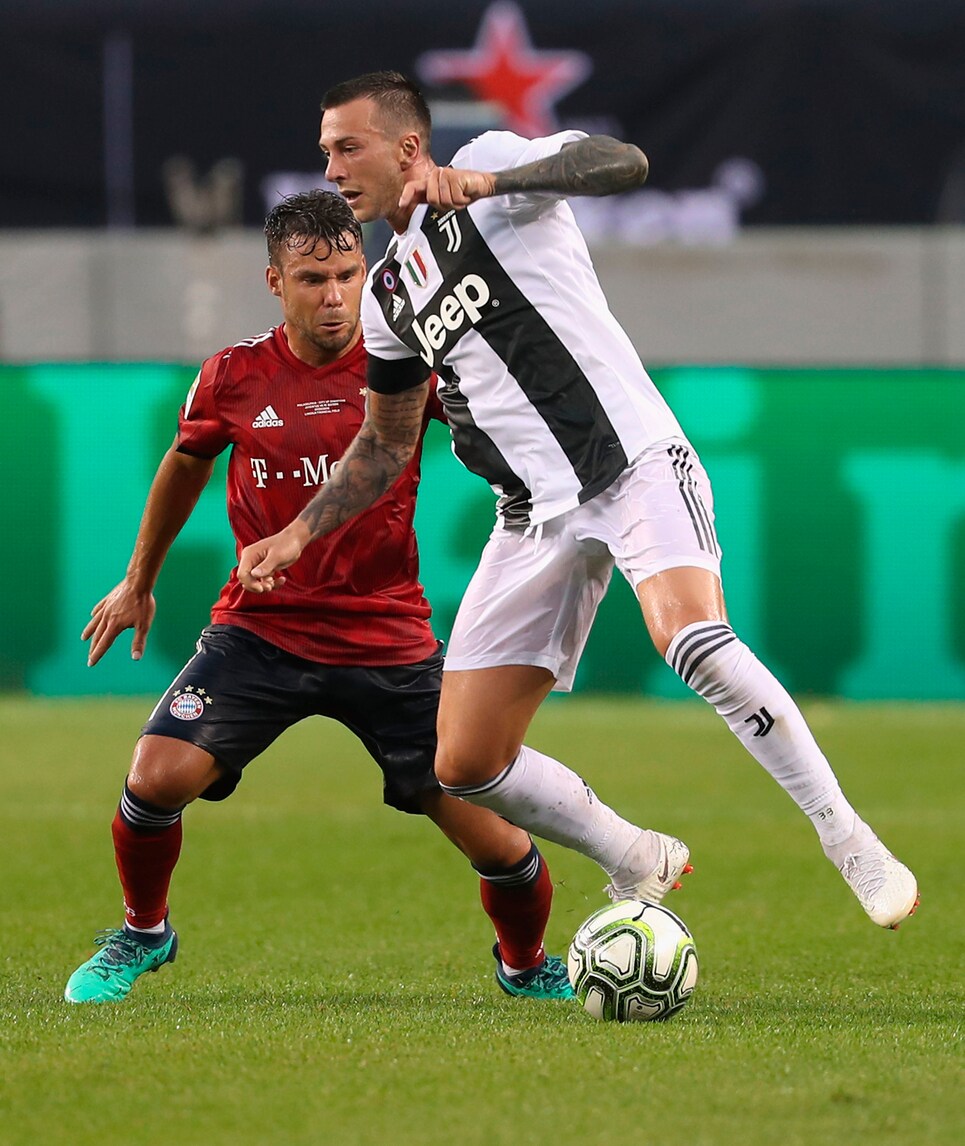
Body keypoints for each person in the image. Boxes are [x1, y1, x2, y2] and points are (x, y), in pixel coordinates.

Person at [237, 72, 919, 932]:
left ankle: (846, 838)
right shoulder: (387, 298)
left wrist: (493, 182)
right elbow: (384, 441)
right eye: (325, 151)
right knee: (464, 762)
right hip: (529, 517)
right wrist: (298, 534)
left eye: (347, 147)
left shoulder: (491, 169)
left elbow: (620, 162)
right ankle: (634, 855)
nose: (332, 168)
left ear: (407, 147)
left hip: (630, 463)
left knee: (691, 640)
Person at [64, 190, 576, 1005]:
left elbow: (503, 438)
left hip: (388, 638)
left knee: (497, 841)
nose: (334, 296)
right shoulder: (232, 375)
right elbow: (185, 465)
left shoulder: (405, 367)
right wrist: (139, 580)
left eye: (347, 275)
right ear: (275, 280)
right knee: (155, 777)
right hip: (261, 631)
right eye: (312, 279)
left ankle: (524, 964)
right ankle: (144, 931)